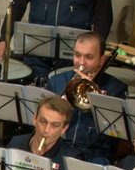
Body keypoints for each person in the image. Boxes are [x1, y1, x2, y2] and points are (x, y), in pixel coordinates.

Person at [47, 33, 127, 162]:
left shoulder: (116, 88)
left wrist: (100, 102)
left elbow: (117, 133)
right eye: (77, 55)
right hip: (59, 148)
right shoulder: (57, 82)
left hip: (94, 154)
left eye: (89, 57)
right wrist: (62, 105)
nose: (81, 62)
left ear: (101, 60)